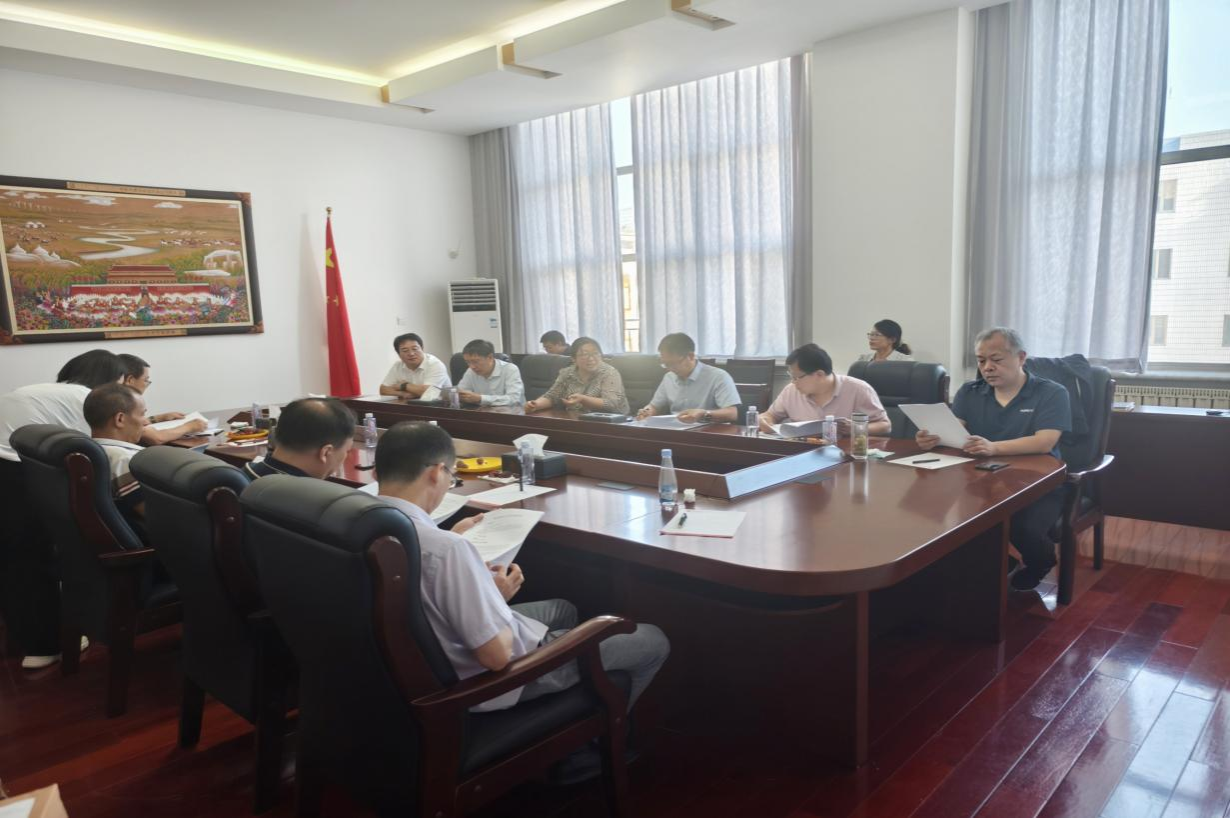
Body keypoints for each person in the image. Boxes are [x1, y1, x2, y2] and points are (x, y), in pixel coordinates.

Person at [372, 421, 669, 719]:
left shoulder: (365, 523)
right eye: (451, 476)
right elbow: (496, 657)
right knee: (653, 639)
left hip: (411, 665)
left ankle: (573, 708)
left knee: (562, 609)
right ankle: (603, 739)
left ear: (377, 471)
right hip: (483, 683)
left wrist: (453, 539)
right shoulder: (446, 549)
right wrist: (494, 596)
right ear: (437, 472)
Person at [915, 327, 1071, 591]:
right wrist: (934, 438)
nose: (987, 367)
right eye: (981, 360)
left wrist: (994, 447)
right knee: (943, 512)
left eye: (996, 359)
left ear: (1021, 357)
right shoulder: (970, 392)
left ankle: (1041, 563)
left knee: (1023, 527)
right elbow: (956, 431)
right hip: (980, 478)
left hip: (1036, 480)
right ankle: (999, 560)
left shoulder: (1051, 393)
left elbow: (1045, 441)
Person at [0, 349, 126, 670]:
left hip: (11, 468)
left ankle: (30, 640)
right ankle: (45, 645)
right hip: (13, 472)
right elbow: (112, 444)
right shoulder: (86, 398)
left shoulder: (48, 392)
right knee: (34, 556)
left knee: (15, 558)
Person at [761, 344, 890, 437]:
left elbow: (885, 426)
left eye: (796, 377)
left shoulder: (858, 389)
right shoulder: (791, 391)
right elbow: (770, 415)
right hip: (803, 453)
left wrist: (856, 428)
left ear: (819, 374)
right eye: (791, 377)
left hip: (845, 454)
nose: (793, 382)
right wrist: (765, 421)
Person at [84, 383, 149, 536]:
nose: (146, 421)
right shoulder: (124, 460)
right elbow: (154, 513)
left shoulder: (90, 451)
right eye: (142, 414)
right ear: (120, 419)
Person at [636, 333, 740, 423]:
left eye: (672, 363)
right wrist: (646, 412)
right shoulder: (669, 377)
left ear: (690, 356)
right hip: (675, 430)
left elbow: (732, 413)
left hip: (708, 431)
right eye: (665, 364)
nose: (668, 369)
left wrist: (704, 414)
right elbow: (654, 406)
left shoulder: (718, 376)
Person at [245, 397, 356, 480]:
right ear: (326, 452)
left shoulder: (243, 474)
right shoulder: (312, 499)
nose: (345, 456)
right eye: (347, 451)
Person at [118, 353, 208, 444]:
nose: (147, 384)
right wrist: (189, 427)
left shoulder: (115, 397)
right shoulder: (121, 402)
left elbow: (135, 422)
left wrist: (158, 418)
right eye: (146, 380)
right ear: (130, 380)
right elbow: (156, 438)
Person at [525, 337, 629, 414]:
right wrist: (535, 404)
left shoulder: (609, 373)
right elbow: (552, 396)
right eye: (585, 354)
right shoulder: (567, 373)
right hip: (576, 420)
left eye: (595, 353)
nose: (591, 358)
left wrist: (583, 399)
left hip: (611, 423)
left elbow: (611, 403)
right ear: (573, 359)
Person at [378, 333, 452, 400]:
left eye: (415, 349)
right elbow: (383, 389)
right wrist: (403, 393)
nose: (411, 353)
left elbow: (428, 392)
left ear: (422, 349)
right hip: (413, 405)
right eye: (405, 350)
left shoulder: (435, 364)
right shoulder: (398, 366)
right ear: (399, 354)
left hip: (441, 406)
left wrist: (404, 386)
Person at [456, 339, 525, 407]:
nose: (472, 366)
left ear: (490, 357)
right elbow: (461, 392)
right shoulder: (471, 371)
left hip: (512, 412)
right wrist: (460, 396)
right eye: (468, 362)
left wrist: (481, 399)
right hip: (482, 412)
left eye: (475, 361)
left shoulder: (510, 369)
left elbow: (513, 399)